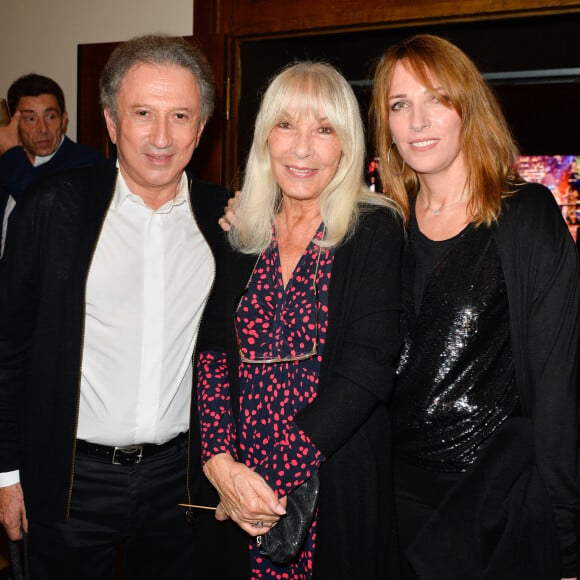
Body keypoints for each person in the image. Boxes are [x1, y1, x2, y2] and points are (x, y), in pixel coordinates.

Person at [0, 34, 230, 579]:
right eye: (143, 113)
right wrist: (5, 474)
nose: (161, 136)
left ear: (200, 128)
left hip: (184, 479)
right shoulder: (53, 207)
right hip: (69, 477)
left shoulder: (225, 221)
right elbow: (8, 347)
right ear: (110, 122)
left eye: (180, 116)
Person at [370, 33, 580, 580]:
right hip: (388, 500)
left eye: (436, 99)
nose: (417, 121)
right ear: (385, 125)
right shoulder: (379, 226)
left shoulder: (525, 216)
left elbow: (559, 383)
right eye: (399, 104)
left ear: (468, 108)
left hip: (492, 504)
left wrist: (568, 537)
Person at [193, 61, 405, 579]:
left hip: (329, 475)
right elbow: (213, 355)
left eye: (324, 129)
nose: (302, 147)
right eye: (286, 124)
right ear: (266, 137)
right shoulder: (240, 231)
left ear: (346, 146)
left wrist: (272, 476)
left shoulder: (375, 228)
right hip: (238, 485)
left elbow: (369, 367)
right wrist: (220, 464)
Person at [0, 73, 105, 255]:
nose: (43, 129)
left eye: (50, 117)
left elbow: (48, 211)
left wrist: (11, 155)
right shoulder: (7, 163)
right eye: (30, 119)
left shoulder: (89, 163)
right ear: (13, 124)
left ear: (63, 120)